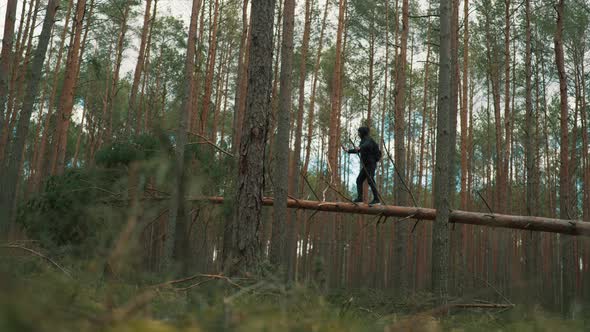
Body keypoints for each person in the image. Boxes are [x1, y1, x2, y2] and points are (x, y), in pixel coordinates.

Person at [343, 127, 382, 205]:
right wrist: (348, 150)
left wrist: (360, 147)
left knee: (370, 180)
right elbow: (359, 149)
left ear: (362, 133)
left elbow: (366, 145)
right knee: (359, 180)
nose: (358, 134)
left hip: (371, 164)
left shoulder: (368, 140)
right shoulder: (363, 141)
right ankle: (360, 199)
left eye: (359, 132)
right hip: (366, 165)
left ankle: (376, 199)